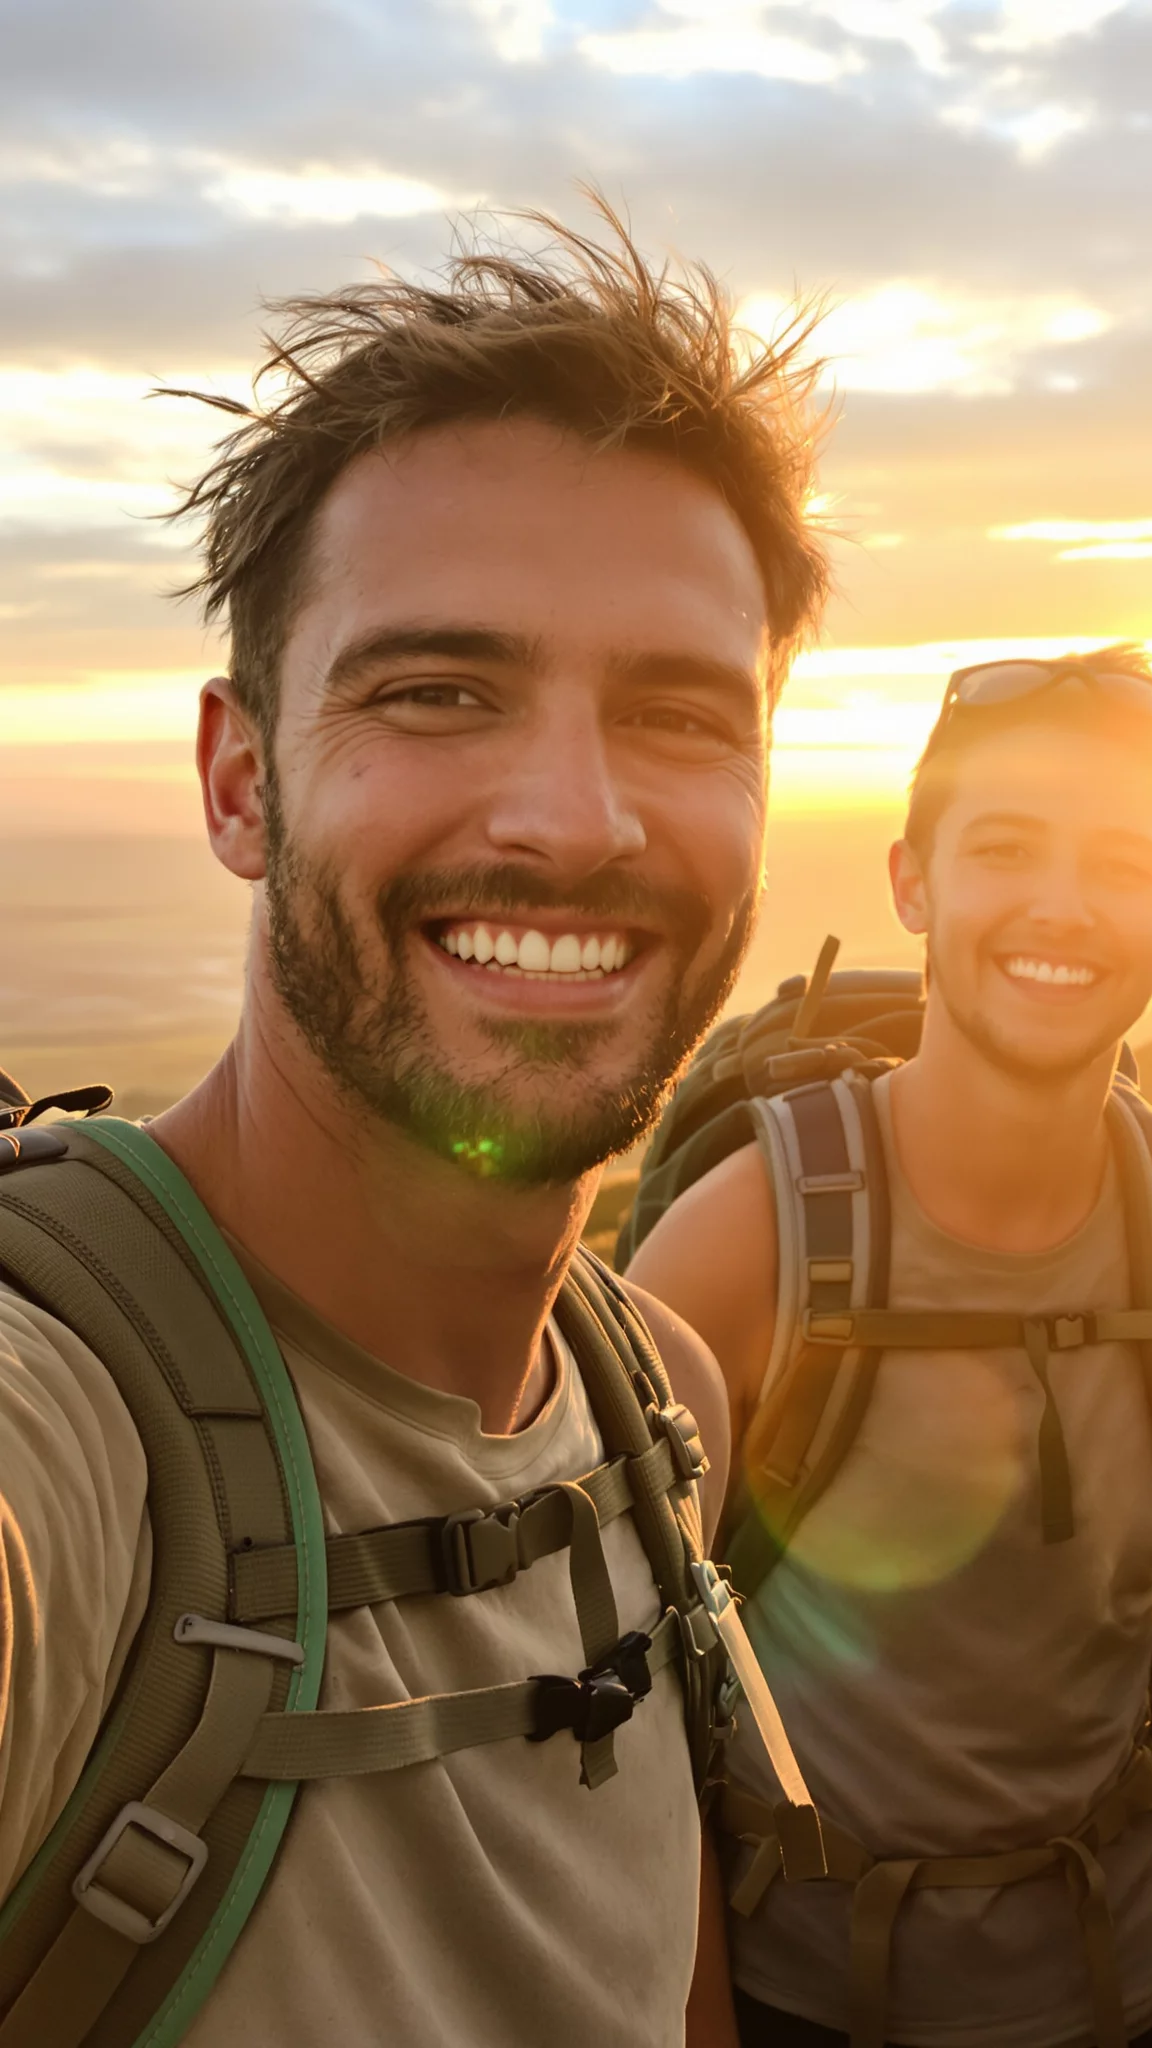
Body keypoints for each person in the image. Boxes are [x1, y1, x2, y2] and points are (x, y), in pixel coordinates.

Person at [0, 207, 830, 2046]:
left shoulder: (651, 1396)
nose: (574, 818)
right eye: (436, 691)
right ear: (242, 778)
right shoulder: (62, 1434)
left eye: (682, 714)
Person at [627, 647, 1152, 2048]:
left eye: (1118, 864)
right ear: (913, 882)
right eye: (1004, 848)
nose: (1060, 905)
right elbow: (629, 1707)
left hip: (1118, 1992)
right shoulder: (741, 1243)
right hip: (798, 1999)